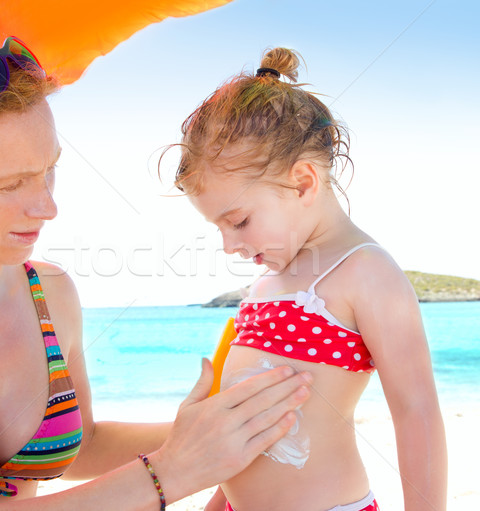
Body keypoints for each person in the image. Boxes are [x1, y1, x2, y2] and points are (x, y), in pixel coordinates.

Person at [0, 35, 313, 510]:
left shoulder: (49, 292)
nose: (47, 206)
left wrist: (220, 429)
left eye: (49, 170)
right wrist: (172, 471)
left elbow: (79, 445)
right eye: (10, 185)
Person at [172, 48, 447, 510]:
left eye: (238, 221)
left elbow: (416, 412)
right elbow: (251, 430)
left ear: (302, 183)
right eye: (218, 227)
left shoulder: (365, 272)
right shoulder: (264, 288)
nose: (229, 245)